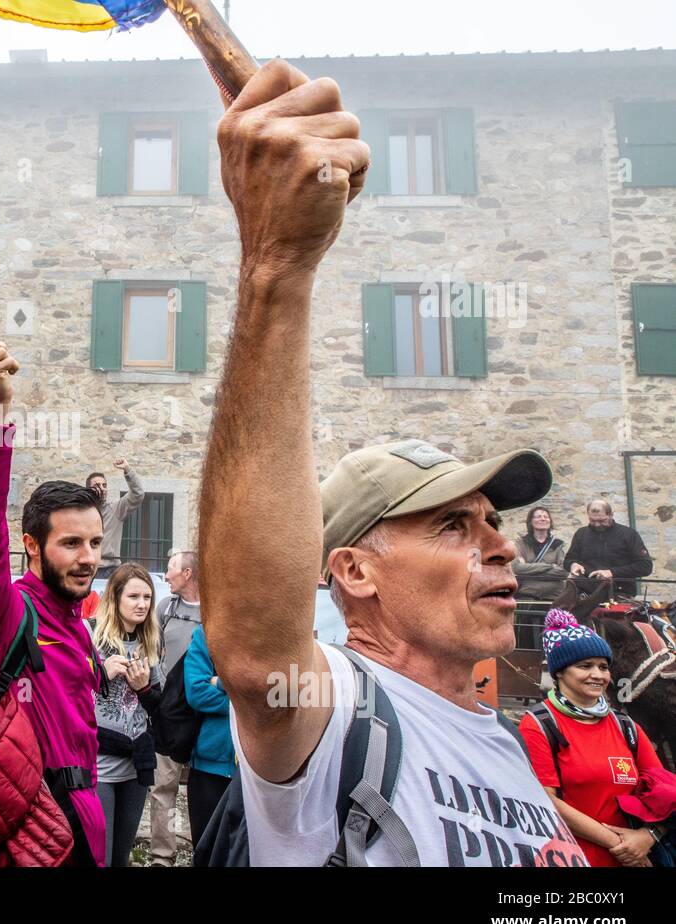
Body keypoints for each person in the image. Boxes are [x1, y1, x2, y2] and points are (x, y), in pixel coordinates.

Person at [198, 58, 589, 866]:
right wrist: (277, 266)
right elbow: (255, 656)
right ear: (354, 573)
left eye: (492, 521)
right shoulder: (335, 708)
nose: (503, 545)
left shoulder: (504, 746)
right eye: (452, 524)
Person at [0, 331, 110, 866]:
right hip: (19, 832)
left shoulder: (78, 621)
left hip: (83, 822)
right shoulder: (6, 614)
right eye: (70, 543)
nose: (87, 557)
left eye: (93, 542)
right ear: (31, 546)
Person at [519, 609, 668, 867]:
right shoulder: (539, 725)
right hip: (573, 859)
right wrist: (620, 844)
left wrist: (648, 836)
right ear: (560, 672)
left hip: (632, 858)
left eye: (603, 666)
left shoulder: (625, 726)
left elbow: (666, 791)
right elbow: (546, 801)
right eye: (585, 666)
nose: (598, 675)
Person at [92, 561, 164, 867]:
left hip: (135, 766)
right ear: (115, 598)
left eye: (147, 597)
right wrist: (99, 674)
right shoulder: (90, 635)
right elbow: (64, 695)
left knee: (122, 857)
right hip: (97, 764)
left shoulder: (150, 643)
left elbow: (159, 708)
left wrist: (144, 688)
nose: (142, 604)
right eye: (134, 597)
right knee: (100, 857)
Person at [147, 548, 202, 865]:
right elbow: (152, 650)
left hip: (202, 718)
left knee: (201, 791)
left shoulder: (214, 612)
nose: (165, 575)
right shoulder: (165, 608)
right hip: (169, 717)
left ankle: (202, 852)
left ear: (188, 574)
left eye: (170, 569)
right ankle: (162, 857)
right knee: (163, 791)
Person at [182, 625, 234, 848]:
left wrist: (220, 682)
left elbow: (277, 688)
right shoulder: (207, 633)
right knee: (208, 849)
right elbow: (197, 693)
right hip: (210, 765)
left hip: (259, 768)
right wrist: (248, 703)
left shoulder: (271, 630)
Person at [564, 499, 654, 598]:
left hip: (620, 593)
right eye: (592, 521)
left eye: (602, 520)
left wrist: (612, 572)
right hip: (585, 592)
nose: (597, 524)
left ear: (611, 515)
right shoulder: (581, 533)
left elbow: (645, 566)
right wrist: (573, 565)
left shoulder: (628, 534)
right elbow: (568, 560)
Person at [86, 461, 143, 579]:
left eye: (104, 485)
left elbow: (138, 494)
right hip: (88, 569)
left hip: (110, 570)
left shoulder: (115, 509)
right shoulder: (82, 512)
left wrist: (127, 470)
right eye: (97, 486)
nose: (102, 489)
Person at [511, 506, 568, 601]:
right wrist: (550, 566)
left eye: (546, 517)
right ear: (531, 521)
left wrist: (529, 569)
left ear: (550, 521)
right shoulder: (521, 543)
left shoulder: (559, 544)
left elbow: (564, 571)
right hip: (527, 595)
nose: (542, 519)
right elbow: (517, 568)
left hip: (554, 597)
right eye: (538, 516)